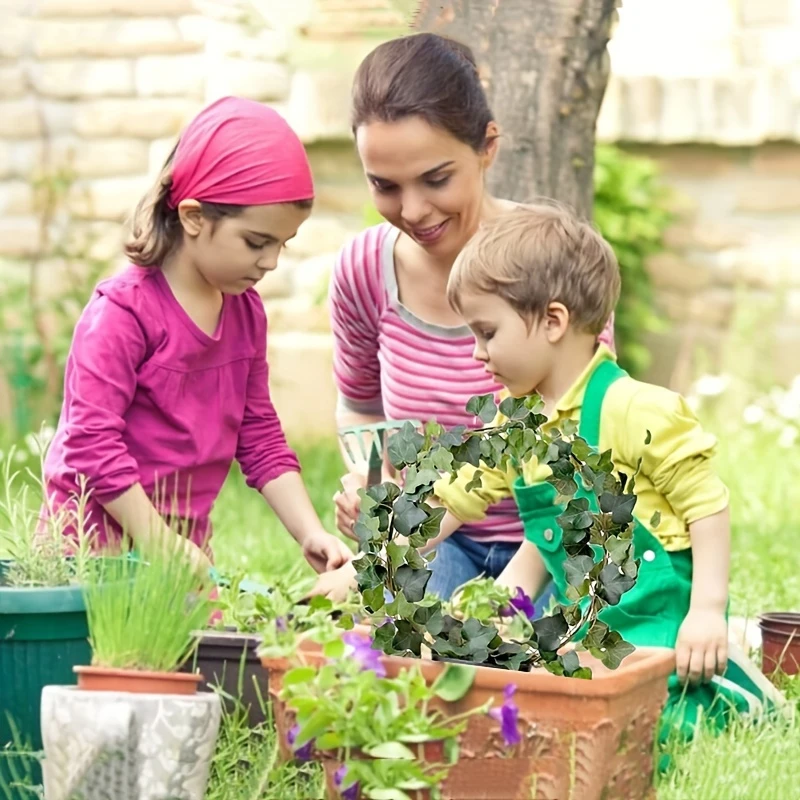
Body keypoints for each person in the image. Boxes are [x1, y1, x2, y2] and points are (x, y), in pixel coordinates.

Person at [436, 201, 780, 752]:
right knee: (541, 720)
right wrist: (490, 598)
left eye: (487, 332)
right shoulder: (517, 422)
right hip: (589, 626)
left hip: (659, 621)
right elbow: (504, 519)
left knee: (646, 734)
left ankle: (734, 688)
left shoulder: (635, 408)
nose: (477, 353)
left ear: (553, 321)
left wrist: (706, 612)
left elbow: (706, 505)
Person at [313, 32, 615, 601]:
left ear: (487, 147)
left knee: (542, 646)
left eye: (436, 179)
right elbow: (360, 406)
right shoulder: (364, 270)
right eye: (384, 185)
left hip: (550, 542)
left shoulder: (554, 262)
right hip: (434, 539)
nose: (413, 210)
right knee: (393, 636)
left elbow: (589, 441)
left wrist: (512, 596)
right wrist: (370, 487)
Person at [43, 96, 352, 578]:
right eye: (256, 242)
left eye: (282, 244)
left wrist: (310, 531)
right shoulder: (122, 315)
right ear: (193, 217)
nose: (271, 261)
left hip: (180, 556)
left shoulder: (245, 313)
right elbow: (90, 444)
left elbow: (259, 434)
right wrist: (160, 542)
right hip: (90, 555)